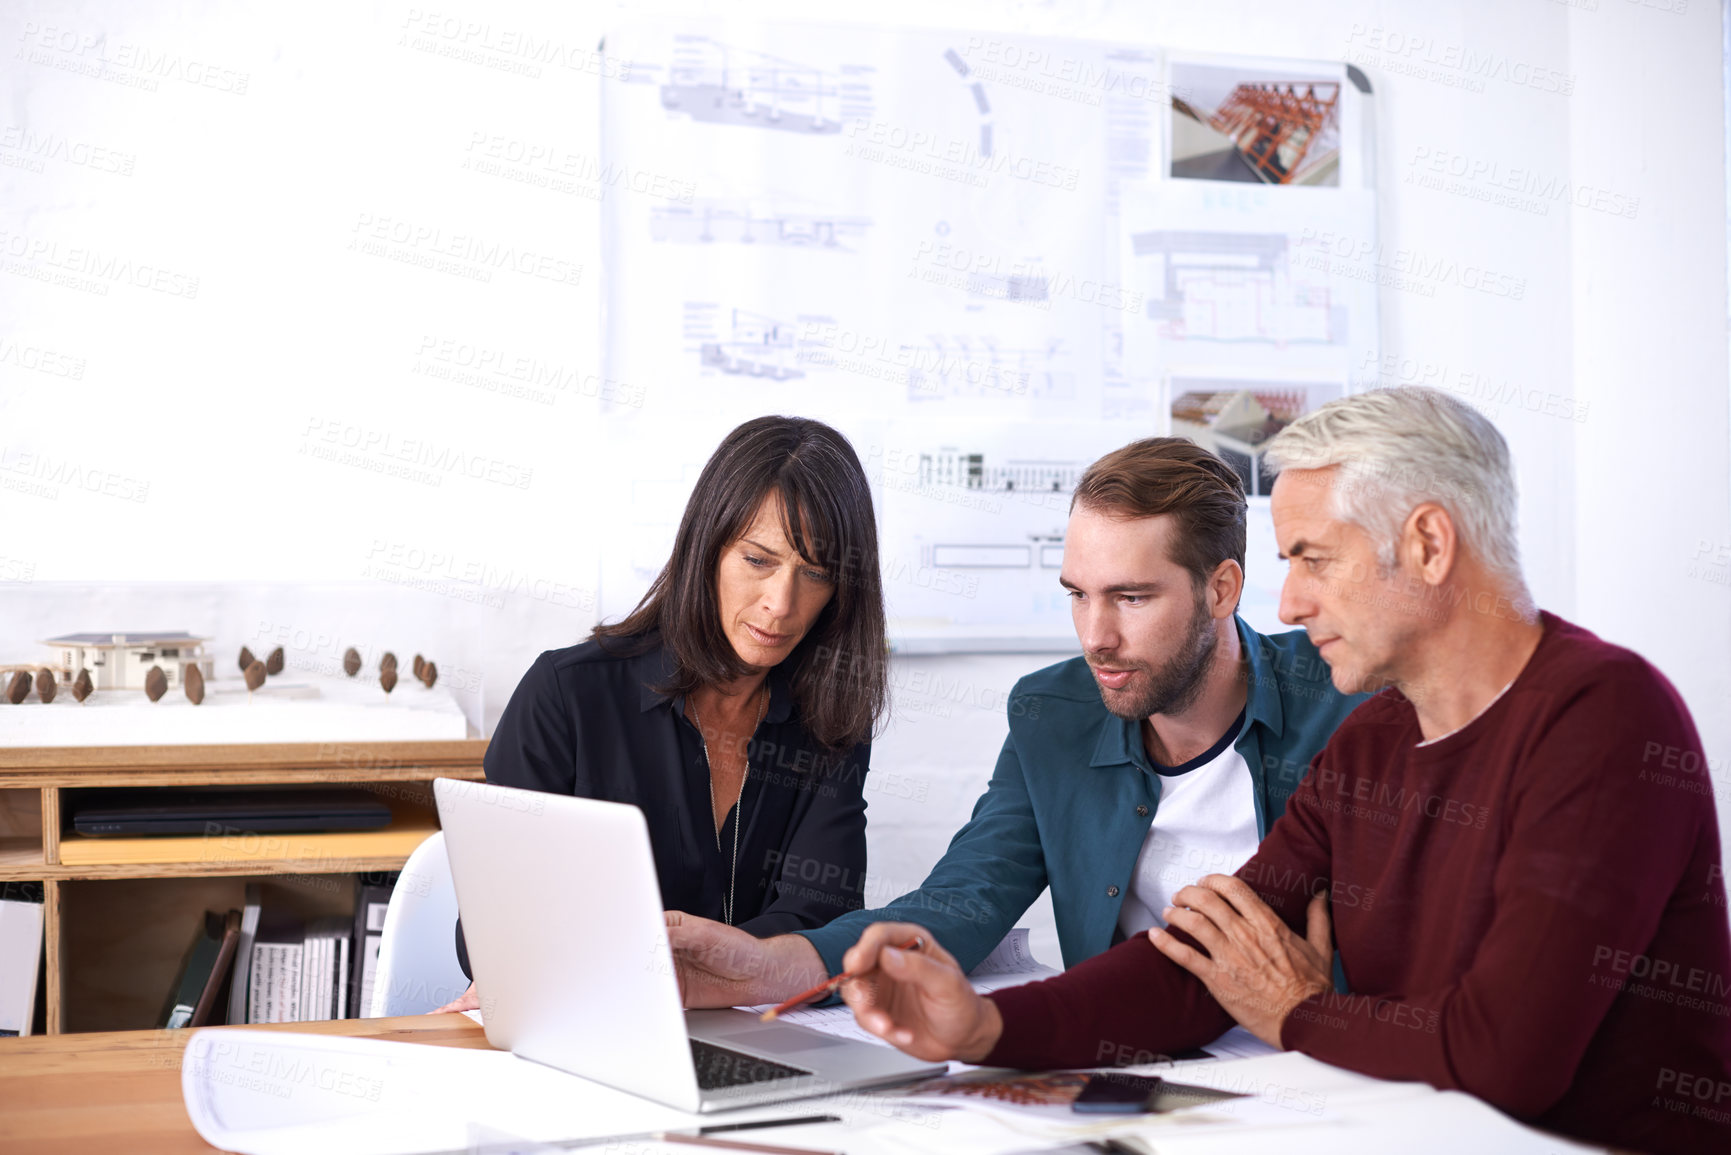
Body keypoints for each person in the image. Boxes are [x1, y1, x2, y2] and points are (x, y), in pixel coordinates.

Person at [834, 388, 1731, 1155]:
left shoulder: (1604, 717)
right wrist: (987, 1026)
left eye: (1314, 559)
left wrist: (1296, 1010)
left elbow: (1506, 1056)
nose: (1291, 602)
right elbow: (1199, 962)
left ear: (1426, 543)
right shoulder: (1377, 736)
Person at [668, 437, 1366, 1009]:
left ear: (1221, 588)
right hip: (1138, 1065)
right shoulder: (1053, 713)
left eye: (1130, 597)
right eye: (1078, 595)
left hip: (1315, 1065)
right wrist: (759, 966)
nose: (1095, 636)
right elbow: (959, 900)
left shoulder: (1345, 697)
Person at [432, 415, 888, 1014]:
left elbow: (821, 921)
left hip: (753, 1035)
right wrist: (740, 965)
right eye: (757, 560)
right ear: (708, 548)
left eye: (816, 574)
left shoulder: (832, 721)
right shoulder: (568, 695)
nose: (781, 604)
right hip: (588, 1020)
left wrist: (651, 961)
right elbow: (497, 932)